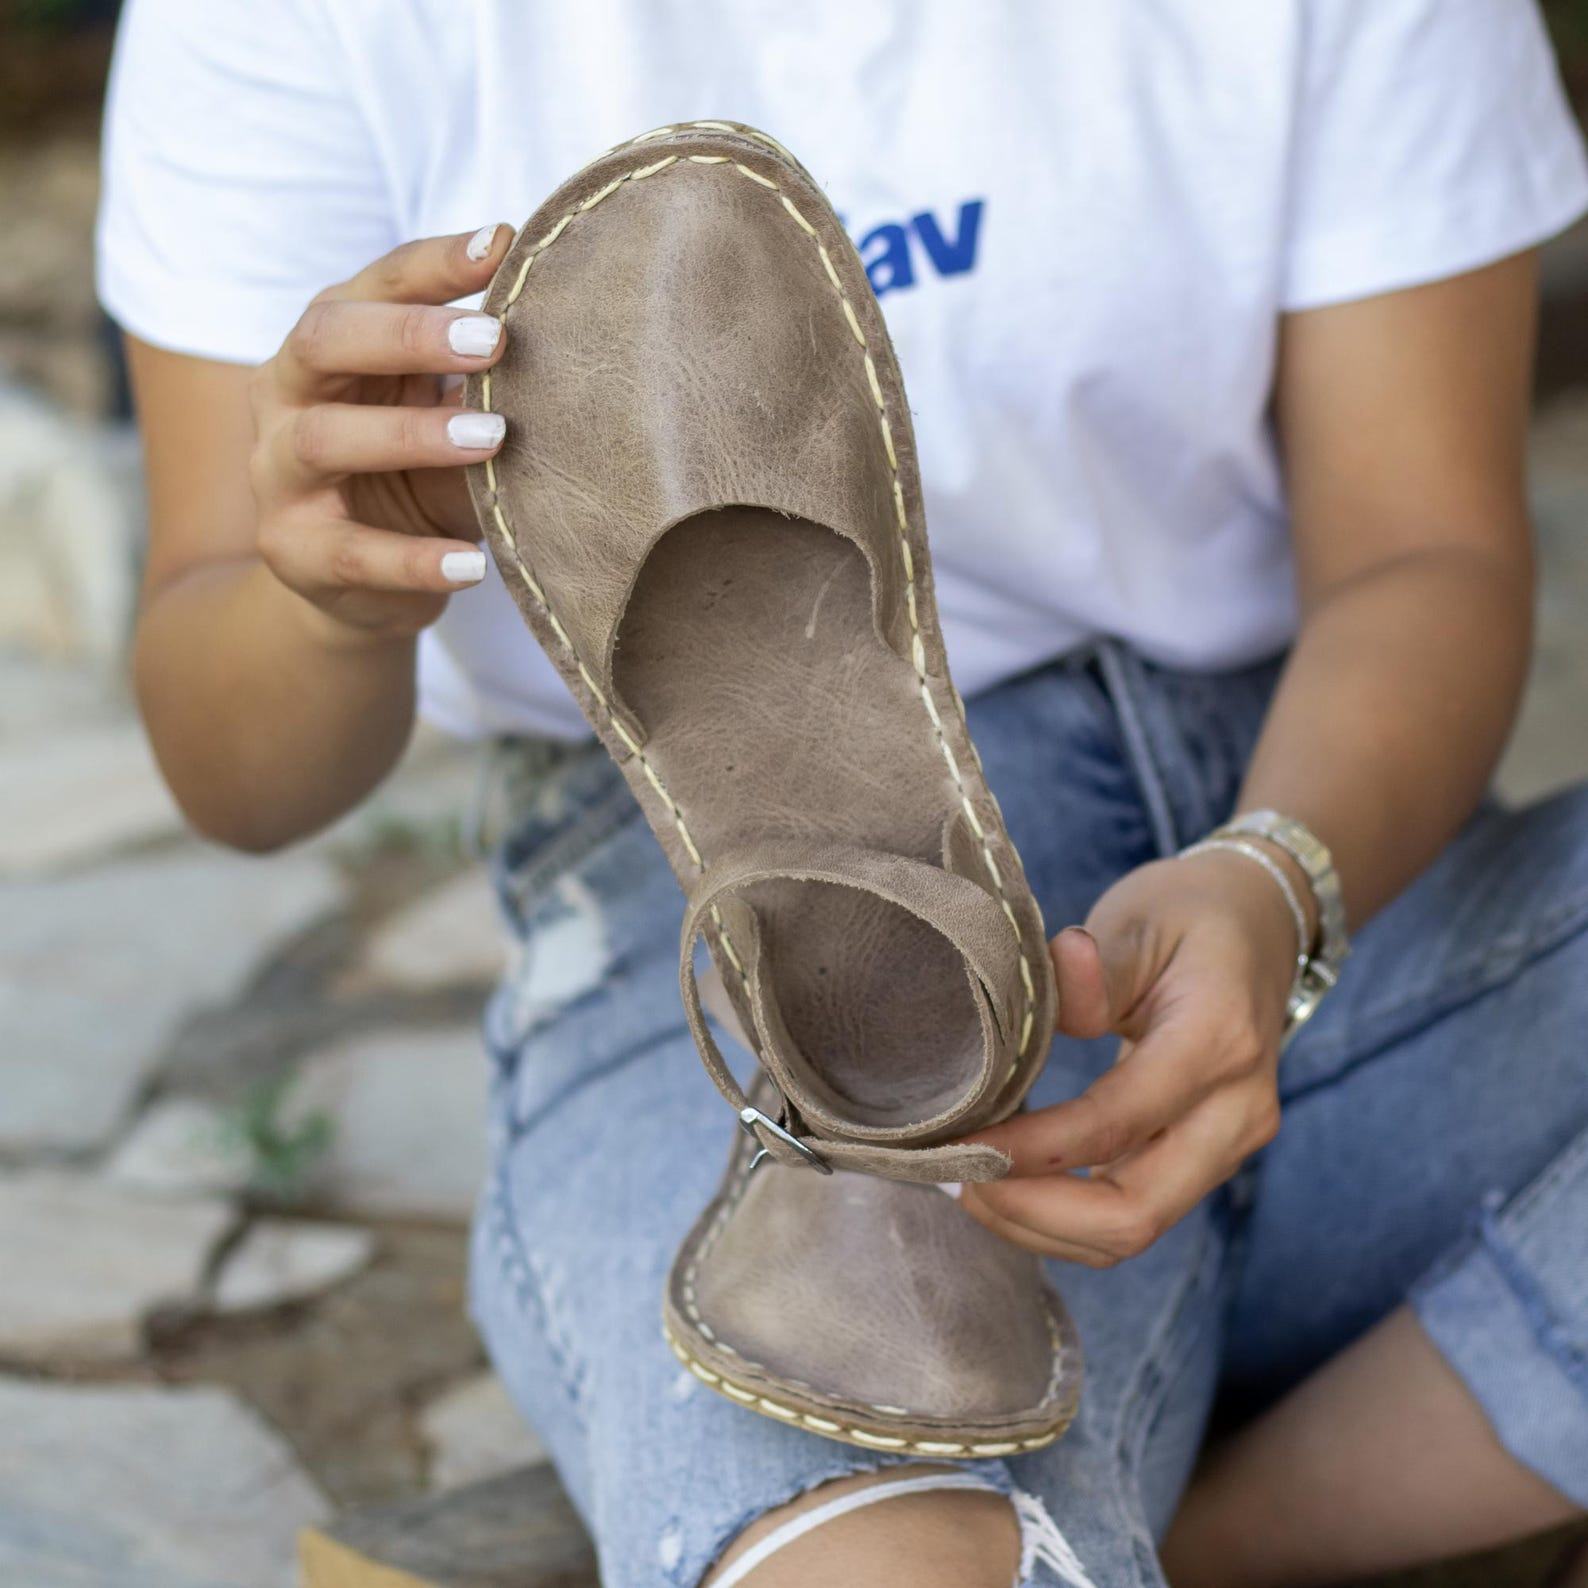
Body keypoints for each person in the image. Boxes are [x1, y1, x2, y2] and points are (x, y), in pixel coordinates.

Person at [98, 2, 1588, 1584]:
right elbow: (236, 774)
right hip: (770, 959)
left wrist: (1279, 878)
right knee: (880, 1559)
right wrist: (327, 589)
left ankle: (1220, 1531)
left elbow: (1424, 556)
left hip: (1324, 873)